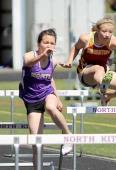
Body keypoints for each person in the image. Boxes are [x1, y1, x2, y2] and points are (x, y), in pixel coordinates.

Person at [60, 17, 116, 106]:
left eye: (110, 32)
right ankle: (103, 88)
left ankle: (108, 95)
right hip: (85, 73)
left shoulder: (114, 41)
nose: (107, 35)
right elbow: (76, 47)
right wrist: (69, 61)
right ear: (97, 30)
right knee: (98, 68)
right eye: (104, 31)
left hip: (103, 73)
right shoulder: (86, 39)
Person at [19, 29, 73, 169]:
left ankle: (68, 135)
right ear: (39, 43)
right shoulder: (29, 55)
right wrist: (42, 55)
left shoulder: (53, 61)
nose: (49, 45)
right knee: (37, 143)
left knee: (50, 107)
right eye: (46, 42)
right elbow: (29, 63)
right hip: (32, 100)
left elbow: (50, 79)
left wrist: (58, 99)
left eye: (52, 43)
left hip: (48, 94)